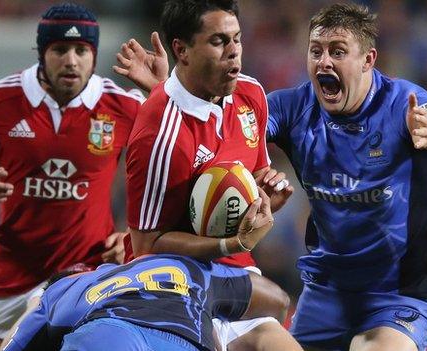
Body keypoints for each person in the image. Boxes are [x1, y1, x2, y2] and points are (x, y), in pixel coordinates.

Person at [116, 3, 427, 350]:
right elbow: (221, 131)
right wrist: (169, 89)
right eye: (316, 51)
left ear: (368, 60)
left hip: (399, 292)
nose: (324, 61)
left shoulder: (402, 103)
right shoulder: (291, 107)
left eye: (338, 51)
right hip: (325, 291)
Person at [0, 3, 142, 350]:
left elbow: (163, 171)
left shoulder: (124, 106)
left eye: (81, 50)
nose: (71, 60)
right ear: (41, 52)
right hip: (14, 274)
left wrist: (131, 235)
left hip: (88, 270)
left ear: (94, 54)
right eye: (60, 49)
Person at [122, 1, 300, 351]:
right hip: (171, 284)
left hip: (233, 271)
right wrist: (230, 244)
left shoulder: (250, 94)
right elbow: (145, 245)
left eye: (237, 39)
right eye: (219, 41)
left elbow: (254, 171)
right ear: (181, 50)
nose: (234, 52)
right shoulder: (159, 134)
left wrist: (262, 195)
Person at [0, 251, 288, 351]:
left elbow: (15, 344)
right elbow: (278, 300)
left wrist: (35, 305)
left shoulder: (63, 289)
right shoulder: (182, 267)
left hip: (109, 334)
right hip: (185, 340)